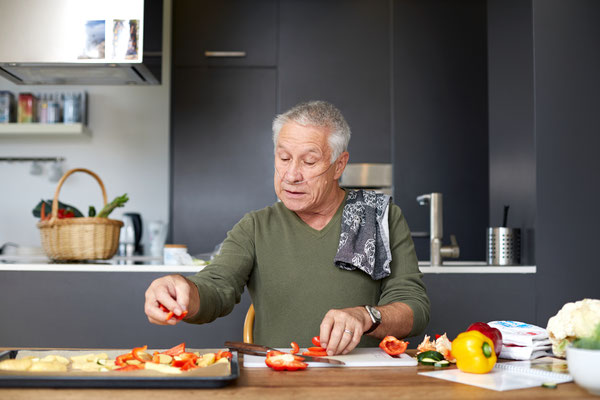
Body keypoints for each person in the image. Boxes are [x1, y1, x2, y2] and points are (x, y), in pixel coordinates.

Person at [144, 101, 430, 355]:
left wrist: (366, 316)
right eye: (283, 159)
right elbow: (216, 287)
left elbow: (413, 306)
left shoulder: (379, 216)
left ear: (339, 165)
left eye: (309, 161)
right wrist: (182, 291)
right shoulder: (256, 227)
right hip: (278, 377)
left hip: (361, 378)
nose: (291, 175)